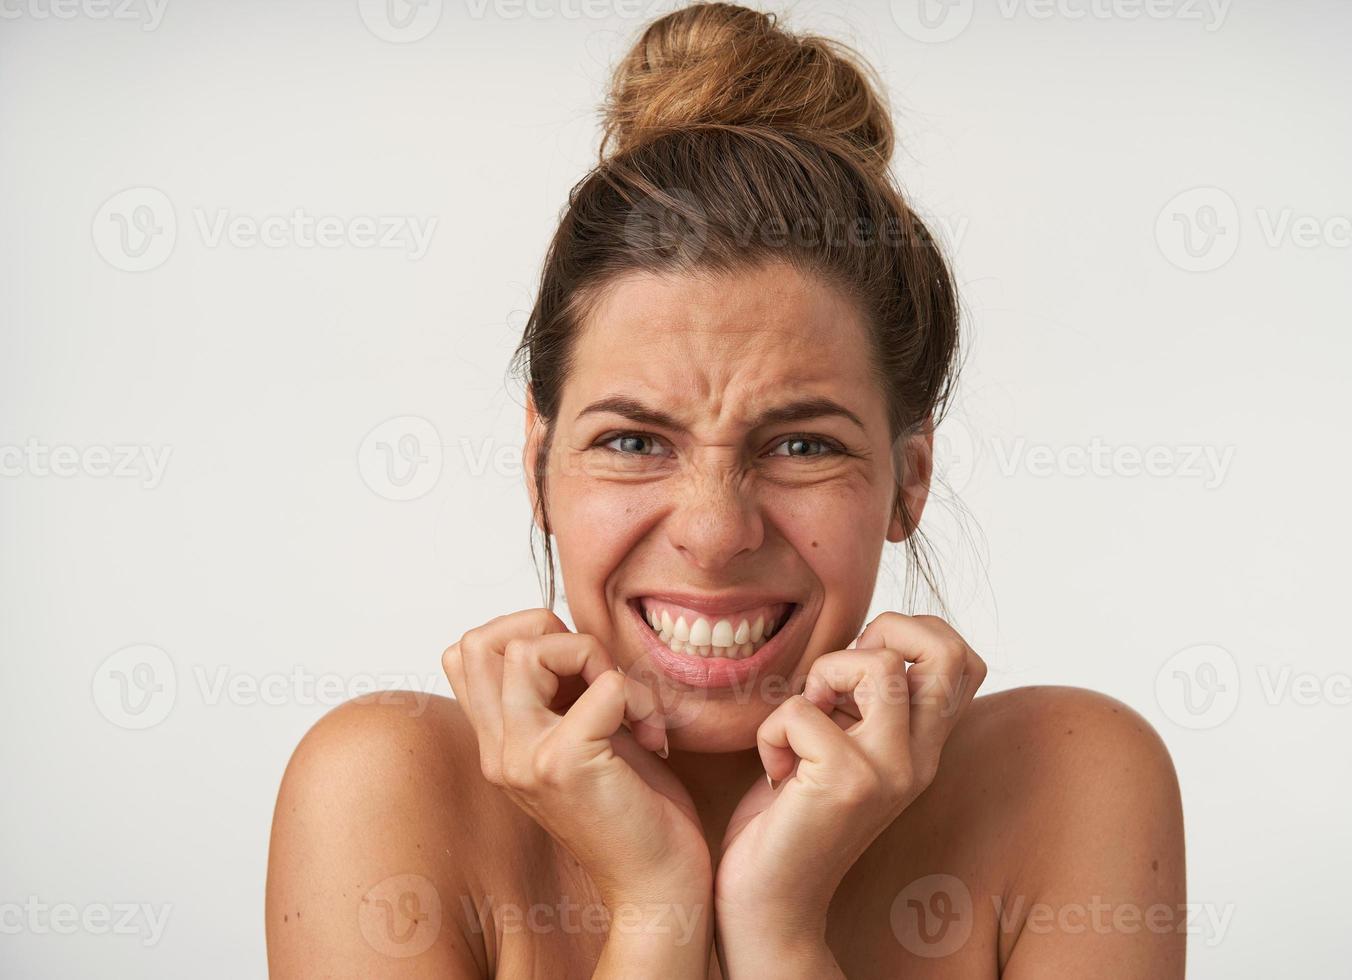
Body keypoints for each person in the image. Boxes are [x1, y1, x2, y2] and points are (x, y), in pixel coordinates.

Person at [265, 4, 1185, 976]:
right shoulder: (383, 787)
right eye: (632, 439)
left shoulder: (1067, 779)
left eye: (798, 442)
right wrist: (656, 906)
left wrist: (778, 924)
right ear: (538, 460)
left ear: (910, 474)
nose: (713, 531)